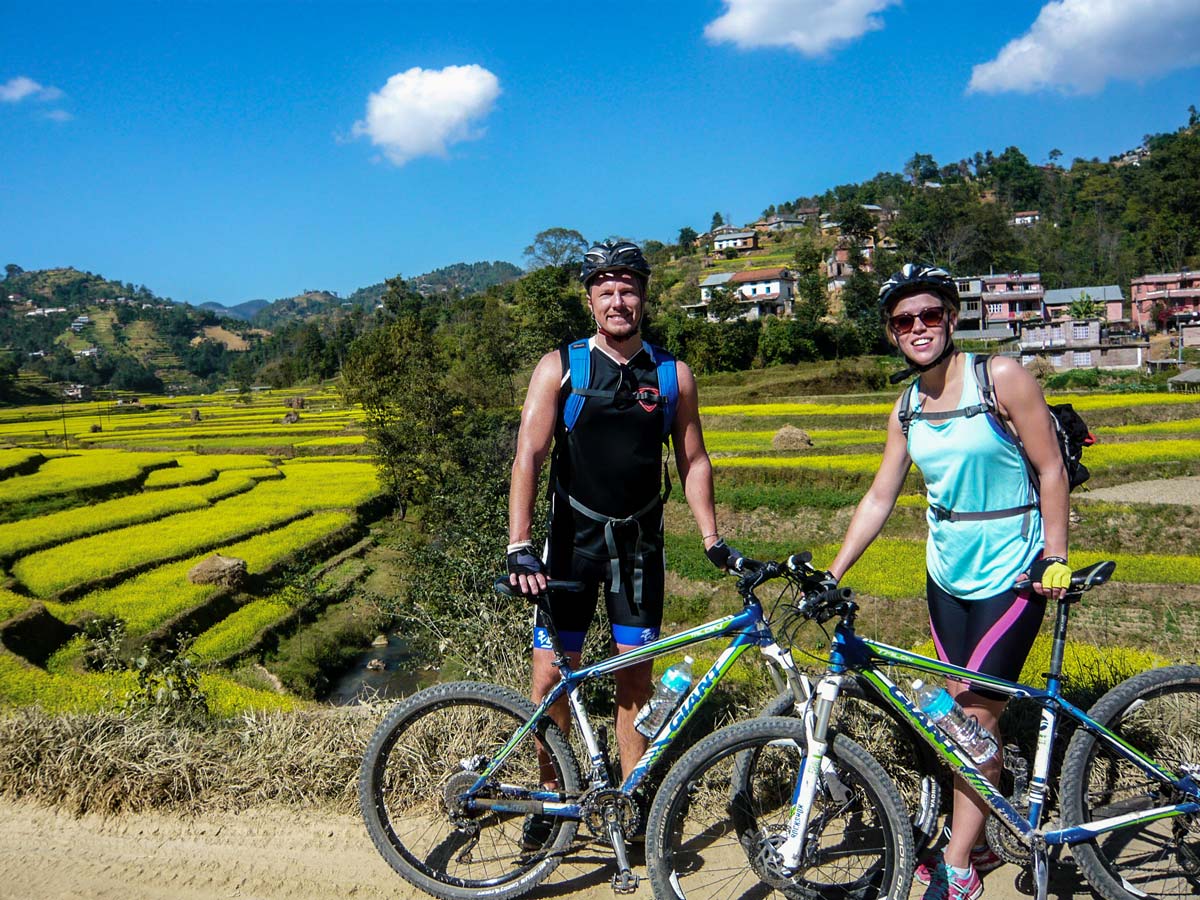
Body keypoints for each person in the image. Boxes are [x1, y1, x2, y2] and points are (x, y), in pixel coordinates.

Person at [821, 264, 1071, 900]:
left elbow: (1050, 470)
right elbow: (881, 494)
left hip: (1013, 568)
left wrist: (1053, 556)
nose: (919, 328)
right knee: (954, 719)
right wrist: (833, 570)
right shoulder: (906, 405)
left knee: (973, 719)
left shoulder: (1001, 377)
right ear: (892, 333)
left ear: (953, 319)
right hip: (946, 573)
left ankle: (959, 863)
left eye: (930, 315)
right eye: (905, 321)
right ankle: (982, 838)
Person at [507, 240, 737, 844]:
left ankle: (628, 808)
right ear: (590, 300)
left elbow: (693, 458)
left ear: (643, 297)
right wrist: (519, 542)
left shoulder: (671, 374)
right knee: (549, 678)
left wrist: (712, 537)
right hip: (568, 546)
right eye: (605, 290)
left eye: (628, 289)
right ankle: (552, 794)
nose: (618, 300)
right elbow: (529, 455)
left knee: (635, 681)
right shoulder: (561, 366)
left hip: (638, 548)